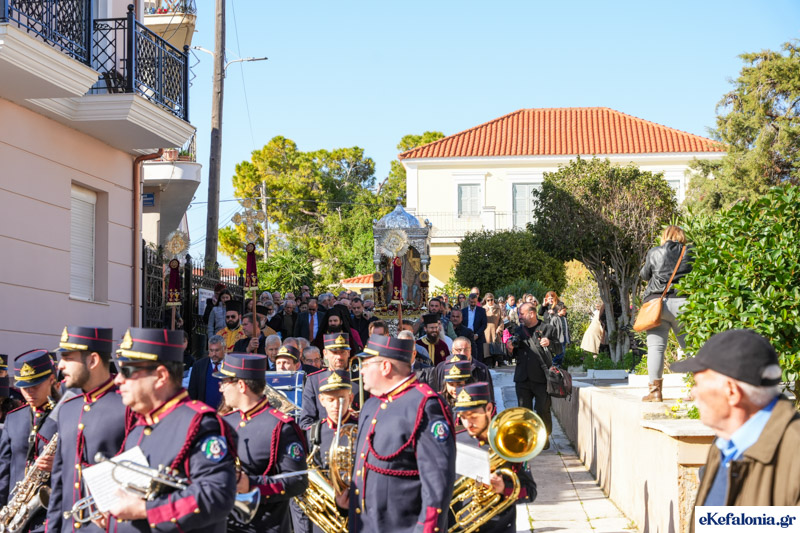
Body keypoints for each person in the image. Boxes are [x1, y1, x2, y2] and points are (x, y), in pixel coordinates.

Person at [99, 328, 237, 532]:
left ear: (160, 376)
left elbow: (217, 495)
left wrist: (146, 510)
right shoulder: (141, 424)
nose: (118, 380)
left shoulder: (200, 424)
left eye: (127, 371)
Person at [670, 329, 800, 524]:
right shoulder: (724, 445)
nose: (693, 393)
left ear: (732, 392)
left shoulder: (794, 454)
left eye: (698, 384)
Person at [339, 334, 456, 532]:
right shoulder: (371, 404)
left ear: (385, 367)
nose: (361, 370)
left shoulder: (425, 405)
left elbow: (438, 485)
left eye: (366, 364)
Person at [47, 326, 132, 533]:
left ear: (93, 360)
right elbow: (59, 480)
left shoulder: (127, 406)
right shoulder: (68, 409)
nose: (60, 365)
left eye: (68, 358)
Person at [216, 352, 308, 533]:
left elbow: (297, 481)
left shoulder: (281, 426)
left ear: (241, 385)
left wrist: (251, 485)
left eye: (225, 382)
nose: (221, 388)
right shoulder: (226, 421)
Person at [452, 382, 537, 531]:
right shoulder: (454, 442)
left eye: (473, 416)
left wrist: (504, 488)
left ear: (489, 408)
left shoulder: (509, 442)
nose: (468, 423)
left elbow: (530, 492)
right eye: (463, 417)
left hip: (500, 527)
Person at [0, 350, 60, 529]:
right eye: (24, 387)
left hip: (51, 516)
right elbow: (4, 470)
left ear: (51, 380)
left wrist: (59, 464)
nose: (29, 393)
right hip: (14, 516)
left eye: (35, 386)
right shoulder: (13, 418)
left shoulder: (66, 415)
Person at [640, 224, 693, 402]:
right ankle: (698, 390)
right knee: (690, 347)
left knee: (655, 348)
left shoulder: (655, 252)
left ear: (665, 236)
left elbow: (644, 275)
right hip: (683, 303)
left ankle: (655, 392)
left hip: (657, 305)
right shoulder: (690, 252)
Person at [301, 369, 358, 533]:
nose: (336, 405)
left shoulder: (360, 428)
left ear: (350, 398)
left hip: (357, 511)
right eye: (331, 400)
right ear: (322, 400)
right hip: (325, 516)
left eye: (341, 399)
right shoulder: (313, 433)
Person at [507, 302, 560, 449]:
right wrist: (509, 349)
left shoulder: (547, 328)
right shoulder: (518, 330)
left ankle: (544, 437)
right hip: (522, 378)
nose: (519, 316)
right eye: (519, 313)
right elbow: (512, 354)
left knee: (543, 409)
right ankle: (528, 439)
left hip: (542, 378)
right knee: (524, 411)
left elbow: (559, 349)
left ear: (532, 313)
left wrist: (549, 343)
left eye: (522, 314)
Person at [299, 333, 352, 429]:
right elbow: (305, 422)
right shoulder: (314, 380)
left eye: (342, 352)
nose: (339, 357)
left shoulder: (361, 378)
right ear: (325, 354)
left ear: (348, 353)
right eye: (334, 352)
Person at [187, 334, 226, 408]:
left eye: (217, 350)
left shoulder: (231, 365)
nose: (214, 354)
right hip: (205, 411)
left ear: (224, 349)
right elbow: (192, 392)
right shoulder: (199, 366)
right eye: (211, 350)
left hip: (226, 412)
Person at [482, 293, 504, 368]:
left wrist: (500, 328)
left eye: (492, 300)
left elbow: (501, 320)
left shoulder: (498, 308)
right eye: (488, 300)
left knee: (496, 345)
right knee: (487, 346)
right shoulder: (483, 309)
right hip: (486, 331)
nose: (490, 301)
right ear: (486, 300)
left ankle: (498, 361)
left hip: (496, 330)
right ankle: (489, 363)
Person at [464, 294, 488, 363]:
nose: (473, 304)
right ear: (468, 301)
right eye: (471, 302)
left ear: (477, 301)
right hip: (466, 336)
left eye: (474, 302)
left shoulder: (482, 311)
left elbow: (484, 324)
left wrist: (477, 334)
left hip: (478, 336)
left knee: (478, 357)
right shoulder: (463, 311)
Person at [550, 302, 570, 367]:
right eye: (564, 311)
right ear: (559, 311)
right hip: (558, 339)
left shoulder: (564, 318)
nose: (565, 312)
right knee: (560, 353)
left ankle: (558, 367)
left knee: (563, 353)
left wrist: (568, 338)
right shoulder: (554, 318)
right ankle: (553, 363)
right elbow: (551, 329)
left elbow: (566, 329)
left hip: (564, 338)